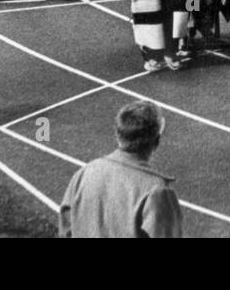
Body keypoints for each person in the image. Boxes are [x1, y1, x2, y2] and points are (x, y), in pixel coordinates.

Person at [59, 101, 183, 238]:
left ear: (118, 134)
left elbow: (66, 231)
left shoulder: (84, 174)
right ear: (156, 141)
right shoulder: (156, 192)